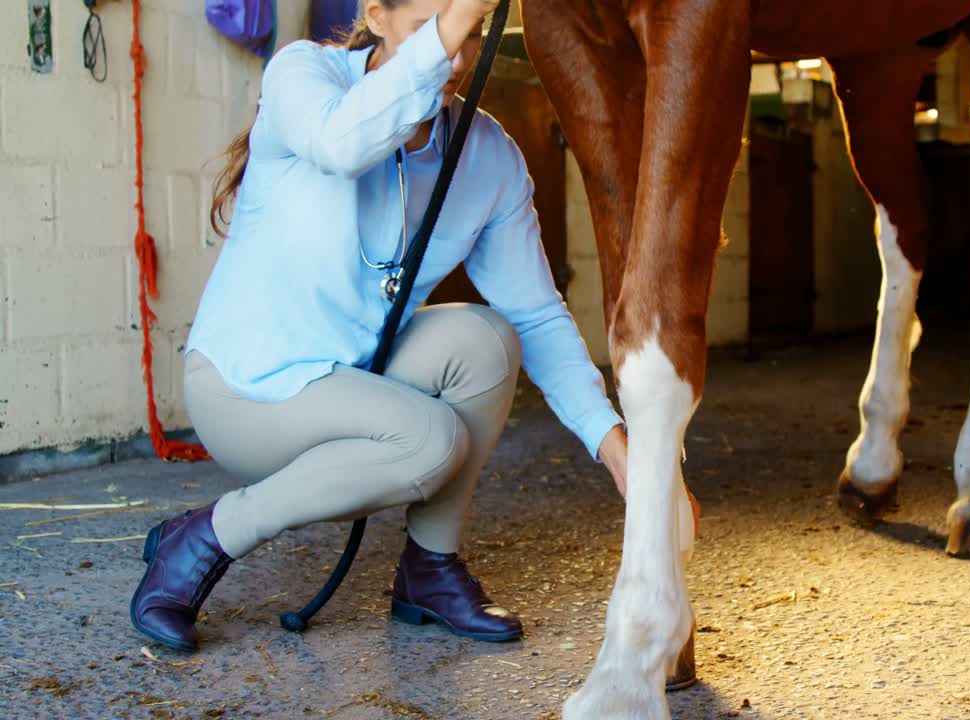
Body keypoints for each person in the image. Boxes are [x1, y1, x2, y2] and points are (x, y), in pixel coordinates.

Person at [129, 0, 632, 651]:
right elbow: (343, 144)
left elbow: (536, 314)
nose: (453, 57)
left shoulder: (485, 155)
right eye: (432, 29)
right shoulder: (304, 76)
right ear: (377, 14)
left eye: (470, 33)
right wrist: (454, 23)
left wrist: (615, 446)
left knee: (488, 342)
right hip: (247, 387)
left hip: (351, 374)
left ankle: (430, 569)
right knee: (430, 440)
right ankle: (206, 536)